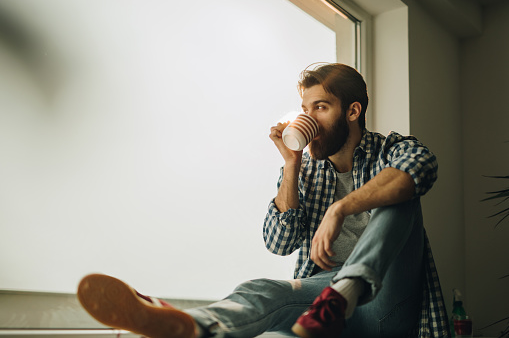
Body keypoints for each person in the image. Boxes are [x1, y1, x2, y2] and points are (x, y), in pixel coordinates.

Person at [77, 63, 450, 338]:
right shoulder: (305, 171)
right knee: (264, 296)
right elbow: (279, 243)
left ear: (352, 111)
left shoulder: (392, 149)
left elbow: (422, 168)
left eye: (320, 107)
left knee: (402, 191)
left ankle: (347, 290)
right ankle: (192, 325)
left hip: (384, 302)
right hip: (321, 308)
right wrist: (291, 165)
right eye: (306, 110)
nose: (311, 119)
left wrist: (342, 207)